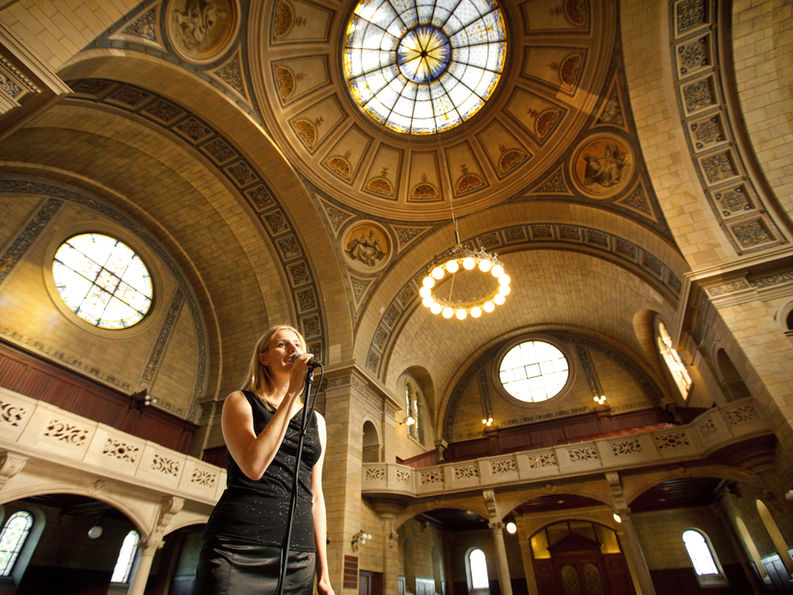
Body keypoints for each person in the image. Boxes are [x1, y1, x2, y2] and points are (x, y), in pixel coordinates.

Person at [192, 325, 334, 594]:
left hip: (298, 553)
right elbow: (254, 466)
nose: (293, 350)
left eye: (297, 344)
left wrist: (323, 571)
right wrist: (293, 393)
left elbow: (315, 494)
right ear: (263, 357)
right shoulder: (240, 401)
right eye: (282, 345)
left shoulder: (317, 421)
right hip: (238, 544)